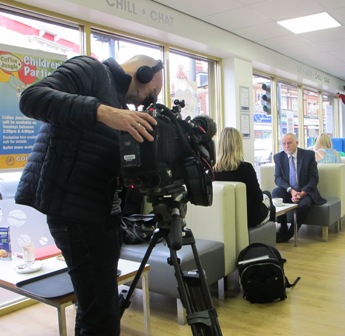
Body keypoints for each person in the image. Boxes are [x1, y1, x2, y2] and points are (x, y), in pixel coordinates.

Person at [14, 54, 163, 336]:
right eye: (150, 92)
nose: (146, 101)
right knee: (102, 316)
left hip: (100, 212)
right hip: (74, 211)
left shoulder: (120, 104)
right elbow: (32, 98)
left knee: (94, 307)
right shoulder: (92, 70)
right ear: (143, 73)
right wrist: (103, 112)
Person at [213, 127, 275, 228]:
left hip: (223, 219)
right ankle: (271, 239)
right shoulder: (246, 168)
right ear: (238, 145)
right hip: (248, 218)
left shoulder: (212, 171)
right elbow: (258, 197)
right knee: (269, 200)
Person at [272, 133, 326, 243]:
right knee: (275, 192)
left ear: (296, 143)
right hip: (288, 191)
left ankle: (291, 232)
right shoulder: (278, 157)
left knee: (304, 205)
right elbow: (278, 179)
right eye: (284, 144)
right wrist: (291, 190)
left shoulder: (308, 155)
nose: (286, 146)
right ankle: (282, 227)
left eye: (289, 143)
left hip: (305, 191)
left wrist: (301, 193)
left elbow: (314, 179)